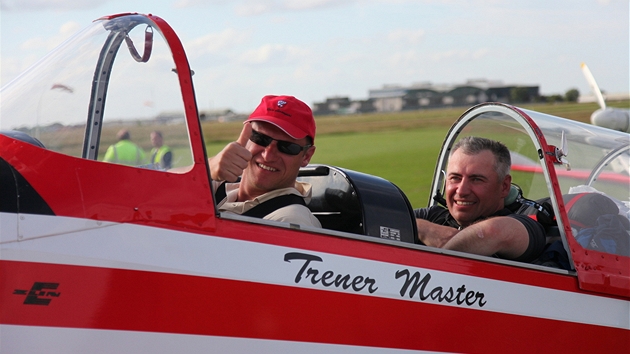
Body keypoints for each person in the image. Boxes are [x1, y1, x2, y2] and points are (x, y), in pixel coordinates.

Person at [415, 136, 546, 262]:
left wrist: (445, 248)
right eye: (455, 178)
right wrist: (422, 228)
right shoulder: (431, 217)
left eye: (476, 180)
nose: (461, 191)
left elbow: (494, 231)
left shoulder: (523, 226)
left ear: (504, 186)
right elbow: (395, 217)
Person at [209, 95, 321, 228]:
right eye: (260, 138)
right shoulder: (221, 185)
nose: (268, 155)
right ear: (245, 137)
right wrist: (208, 167)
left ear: (306, 156)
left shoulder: (290, 219)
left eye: (286, 147)